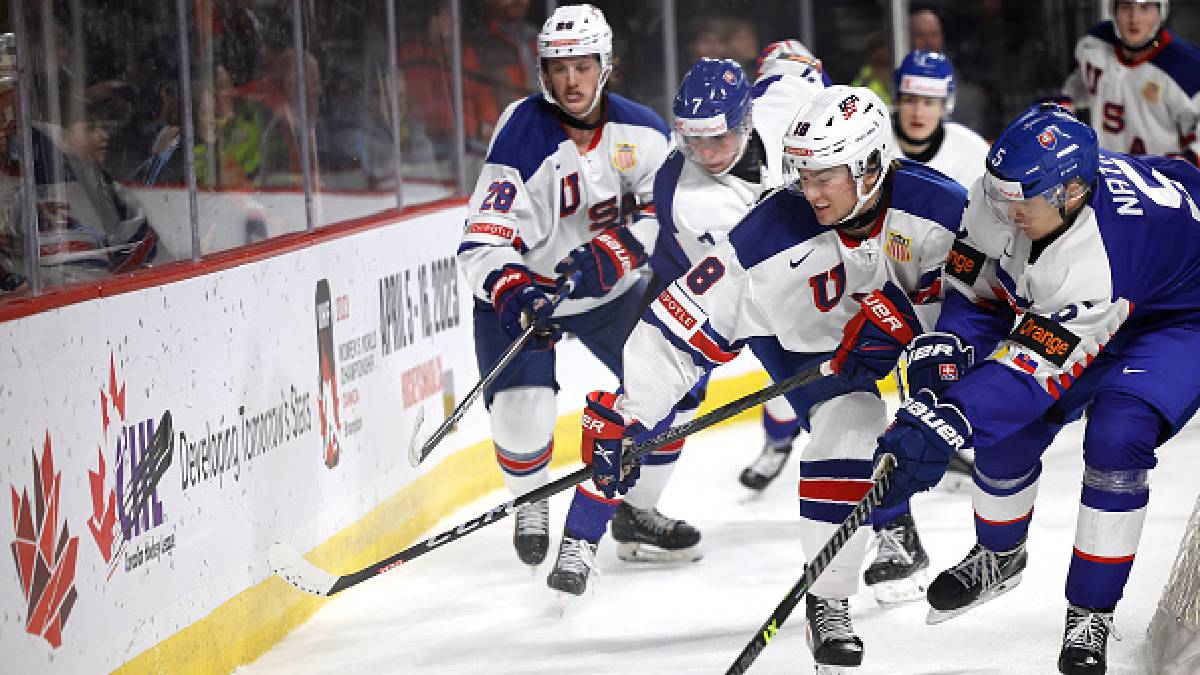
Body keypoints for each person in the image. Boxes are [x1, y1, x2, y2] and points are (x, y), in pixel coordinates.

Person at [576, 85, 967, 670]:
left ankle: (921, 536)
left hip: (915, 343)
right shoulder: (766, 234)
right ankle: (829, 601)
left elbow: (984, 301)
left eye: (823, 177)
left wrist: (915, 328)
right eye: (802, 175)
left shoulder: (943, 210)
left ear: (868, 166)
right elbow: (680, 321)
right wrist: (632, 413)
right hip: (805, 348)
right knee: (852, 428)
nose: (808, 192)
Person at [870, 101, 1200, 673]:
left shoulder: (1098, 257)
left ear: (1073, 193)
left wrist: (948, 420)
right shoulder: (1008, 193)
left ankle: (1090, 610)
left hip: (1176, 315)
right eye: (998, 194)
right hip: (1104, 298)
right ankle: (999, 557)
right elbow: (975, 287)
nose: (1003, 210)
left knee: (1116, 436)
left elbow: (1032, 370)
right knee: (1002, 428)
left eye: (1019, 201)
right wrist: (947, 354)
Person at [549, 53, 831, 594]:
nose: (705, 152)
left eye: (717, 139)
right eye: (692, 140)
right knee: (646, 405)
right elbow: (764, 267)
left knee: (839, 407)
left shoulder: (786, 112)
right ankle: (585, 532)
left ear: (747, 119)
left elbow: (796, 74)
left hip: (768, 274)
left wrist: (797, 63)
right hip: (704, 289)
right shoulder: (693, 196)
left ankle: (893, 528)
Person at [455, 4, 670, 584]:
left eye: (581, 65)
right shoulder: (523, 133)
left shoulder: (645, 131)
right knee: (522, 417)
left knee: (671, 392)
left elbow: (666, 211)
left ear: (606, 67)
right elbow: (482, 241)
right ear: (542, 71)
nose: (569, 80)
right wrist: (512, 287)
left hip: (613, 296)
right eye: (557, 67)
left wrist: (625, 248)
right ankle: (532, 497)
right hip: (531, 297)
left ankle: (635, 512)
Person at [738, 39, 832, 492]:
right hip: (805, 246)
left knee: (794, 355)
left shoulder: (748, 103)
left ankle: (779, 440)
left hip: (774, 246)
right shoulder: (822, 96)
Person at [1062, 0, 1200, 164]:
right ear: (1113, 10)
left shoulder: (1189, 67)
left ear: (1160, 12)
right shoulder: (1095, 42)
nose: (1134, 18)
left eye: (1145, 8)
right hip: (1105, 173)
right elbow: (1072, 92)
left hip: (1158, 182)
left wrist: (1181, 167)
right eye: (1126, 7)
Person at [892, 50, 989, 188]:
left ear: (944, 106)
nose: (918, 113)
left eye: (929, 102)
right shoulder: (872, 142)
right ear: (897, 101)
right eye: (910, 100)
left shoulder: (974, 153)